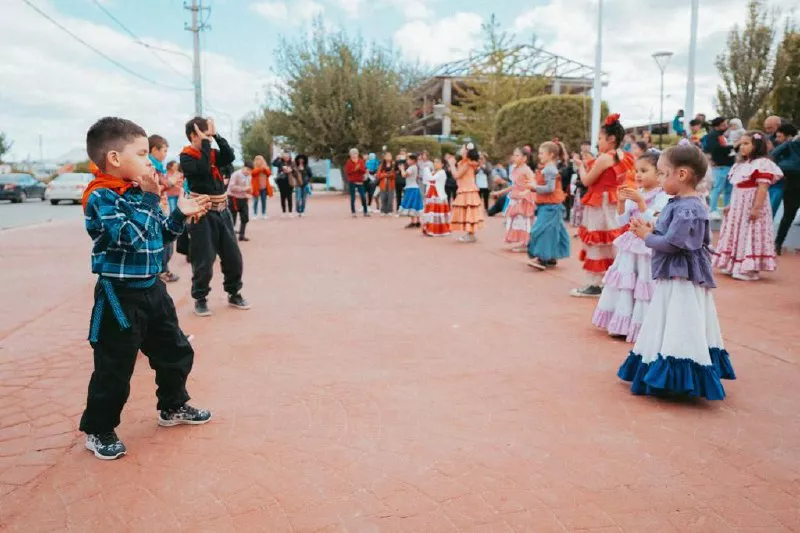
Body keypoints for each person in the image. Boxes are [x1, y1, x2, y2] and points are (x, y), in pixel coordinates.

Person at [80, 116, 213, 460]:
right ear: (113, 158)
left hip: (152, 289)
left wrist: (179, 215)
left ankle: (173, 406)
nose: (149, 162)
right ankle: (99, 428)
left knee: (175, 349)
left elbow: (159, 237)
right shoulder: (102, 197)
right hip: (118, 296)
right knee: (115, 364)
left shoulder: (141, 192)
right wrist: (152, 200)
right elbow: (130, 239)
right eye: (141, 154)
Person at [617, 144, 735, 400]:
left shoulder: (689, 208)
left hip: (682, 277)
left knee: (681, 321)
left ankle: (680, 376)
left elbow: (673, 243)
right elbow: (667, 231)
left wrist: (647, 236)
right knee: (669, 320)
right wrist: (651, 228)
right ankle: (665, 369)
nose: (659, 179)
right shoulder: (680, 203)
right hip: (675, 274)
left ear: (681, 175)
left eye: (662, 173)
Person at [592, 152, 669, 342]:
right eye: (637, 171)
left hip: (647, 244)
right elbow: (622, 220)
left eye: (644, 170)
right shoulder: (637, 193)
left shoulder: (663, 196)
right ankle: (621, 323)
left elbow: (656, 221)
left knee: (643, 282)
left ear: (659, 174)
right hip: (630, 244)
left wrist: (641, 203)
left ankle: (643, 324)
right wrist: (620, 202)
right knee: (626, 283)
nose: (638, 175)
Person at [180, 116, 250, 317]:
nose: (208, 138)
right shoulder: (187, 157)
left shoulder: (212, 153)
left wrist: (216, 136)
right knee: (204, 260)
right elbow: (201, 169)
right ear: (194, 135)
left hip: (222, 211)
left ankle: (234, 292)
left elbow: (229, 157)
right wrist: (204, 143)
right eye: (204, 133)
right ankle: (200, 298)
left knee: (233, 256)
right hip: (202, 214)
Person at [571, 114, 634, 297]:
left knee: (597, 242)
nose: (598, 143)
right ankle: (615, 280)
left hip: (601, 203)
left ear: (611, 138)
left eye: (600, 138)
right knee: (613, 242)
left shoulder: (606, 157)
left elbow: (588, 180)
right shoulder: (624, 155)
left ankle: (596, 284)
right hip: (615, 202)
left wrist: (581, 167)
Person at [713, 131, 783, 281]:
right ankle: (734, 263)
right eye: (741, 144)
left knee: (749, 232)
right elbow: (738, 188)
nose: (742, 147)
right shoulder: (742, 165)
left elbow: (762, 187)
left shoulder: (762, 163)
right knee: (737, 232)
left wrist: (756, 208)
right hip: (739, 205)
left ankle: (748, 268)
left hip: (751, 204)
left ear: (757, 145)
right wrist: (730, 205)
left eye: (746, 144)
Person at [527, 142, 571, 269]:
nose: (539, 156)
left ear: (550, 154)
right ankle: (551, 257)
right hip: (548, 205)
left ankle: (542, 258)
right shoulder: (548, 168)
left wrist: (534, 187)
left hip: (551, 205)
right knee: (553, 230)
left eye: (542, 153)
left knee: (542, 230)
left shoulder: (550, 169)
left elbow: (550, 188)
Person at [148, 135, 180, 284]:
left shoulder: (158, 168)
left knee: (167, 242)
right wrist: (170, 184)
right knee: (165, 241)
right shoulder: (150, 167)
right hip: (155, 208)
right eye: (164, 151)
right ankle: (160, 271)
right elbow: (152, 189)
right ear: (154, 150)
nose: (165, 154)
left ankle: (162, 269)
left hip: (160, 207)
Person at [492, 147, 535, 252]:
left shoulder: (527, 170)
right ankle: (523, 242)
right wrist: (499, 192)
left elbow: (533, 183)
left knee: (524, 221)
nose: (514, 157)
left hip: (523, 199)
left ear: (524, 158)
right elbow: (514, 185)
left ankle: (527, 243)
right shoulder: (515, 169)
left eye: (517, 155)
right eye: (514, 155)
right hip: (515, 197)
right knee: (516, 220)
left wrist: (525, 192)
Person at [772, 123, 800, 255]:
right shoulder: (791, 145)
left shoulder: (790, 145)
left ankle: (778, 243)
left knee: (788, 216)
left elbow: (774, 154)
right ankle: (777, 243)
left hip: (792, 182)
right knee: (788, 215)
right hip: (792, 184)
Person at [447, 145, 484, 243]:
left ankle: (470, 234)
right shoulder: (466, 163)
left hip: (467, 190)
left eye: (463, 149)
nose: (460, 150)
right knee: (468, 212)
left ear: (466, 152)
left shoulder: (467, 164)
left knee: (469, 213)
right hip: (467, 189)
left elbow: (457, 175)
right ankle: (470, 234)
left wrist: (451, 164)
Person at [705, 117, 735, 220]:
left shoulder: (722, 136)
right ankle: (712, 210)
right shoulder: (712, 136)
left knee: (728, 189)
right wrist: (732, 147)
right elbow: (715, 149)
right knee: (717, 188)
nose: (726, 126)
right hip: (720, 166)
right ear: (717, 126)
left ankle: (727, 209)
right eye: (724, 124)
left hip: (728, 166)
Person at [421, 158, 451, 237]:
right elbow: (427, 181)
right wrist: (426, 192)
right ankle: (429, 229)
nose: (435, 163)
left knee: (437, 213)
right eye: (434, 162)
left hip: (438, 195)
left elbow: (431, 178)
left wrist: (426, 170)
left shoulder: (442, 172)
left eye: (437, 162)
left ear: (442, 164)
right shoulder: (433, 172)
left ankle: (438, 230)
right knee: (431, 213)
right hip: (431, 194)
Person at [227, 162, 252, 241]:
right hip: (234, 198)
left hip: (243, 198)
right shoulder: (236, 174)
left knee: (245, 217)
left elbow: (248, 187)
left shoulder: (249, 177)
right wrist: (244, 189)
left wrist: (248, 192)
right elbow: (231, 187)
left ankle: (242, 235)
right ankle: (230, 237)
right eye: (247, 169)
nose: (248, 172)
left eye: (250, 170)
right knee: (232, 218)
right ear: (243, 167)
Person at [398, 153, 424, 227]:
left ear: (413, 160)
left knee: (412, 204)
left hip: (411, 188)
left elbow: (404, 175)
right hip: (413, 187)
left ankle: (414, 221)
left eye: (408, 159)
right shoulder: (414, 167)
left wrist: (402, 169)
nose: (407, 161)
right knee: (415, 205)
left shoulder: (412, 167)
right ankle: (417, 221)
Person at [344, 148, 369, 217]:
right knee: (353, 197)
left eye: (355, 153)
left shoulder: (361, 161)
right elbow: (347, 172)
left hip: (360, 181)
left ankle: (365, 211)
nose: (354, 155)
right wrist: (355, 169)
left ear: (358, 154)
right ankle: (353, 212)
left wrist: (359, 168)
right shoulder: (349, 162)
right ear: (350, 155)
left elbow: (364, 171)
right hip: (352, 181)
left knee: (363, 196)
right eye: (352, 154)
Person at [250, 155, 272, 220]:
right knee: (255, 201)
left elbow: (269, 174)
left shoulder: (266, 167)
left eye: (260, 160)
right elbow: (253, 173)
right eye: (257, 160)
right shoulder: (253, 167)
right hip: (256, 187)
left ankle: (264, 213)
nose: (259, 161)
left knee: (264, 201)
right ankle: (255, 214)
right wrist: (260, 169)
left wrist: (265, 169)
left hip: (264, 187)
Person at [377, 152, 396, 216]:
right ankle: (383, 210)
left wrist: (390, 175)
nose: (388, 157)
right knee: (383, 197)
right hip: (383, 183)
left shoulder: (393, 164)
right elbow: (378, 175)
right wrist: (385, 174)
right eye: (387, 155)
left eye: (389, 155)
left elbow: (394, 175)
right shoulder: (381, 165)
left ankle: (390, 210)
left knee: (390, 197)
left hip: (391, 183)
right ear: (384, 157)